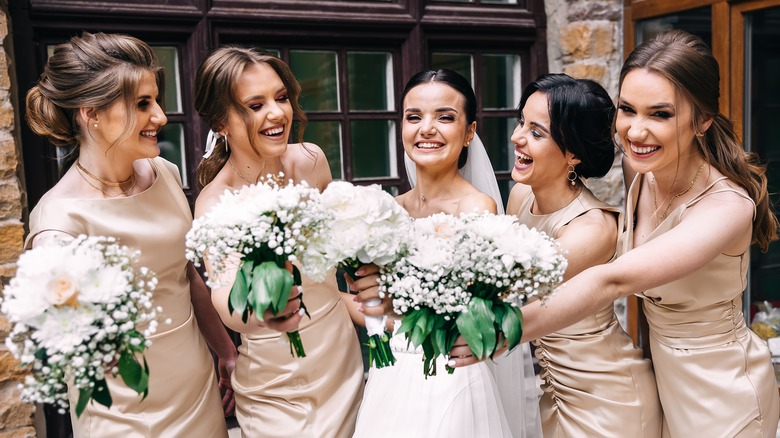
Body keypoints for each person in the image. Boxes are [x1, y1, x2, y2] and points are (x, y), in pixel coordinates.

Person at [454, 30, 780, 437]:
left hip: (723, 391)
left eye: (659, 114)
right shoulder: (641, 171)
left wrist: (508, 328)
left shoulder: (727, 208)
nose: (636, 132)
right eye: (628, 109)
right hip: (656, 384)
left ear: (702, 121)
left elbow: (614, 278)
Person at [23, 32, 234, 436]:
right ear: (92, 113)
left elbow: (184, 273)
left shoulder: (165, 174)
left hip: (196, 389)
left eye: (155, 100)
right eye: (142, 104)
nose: (160, 117)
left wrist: (225, 353)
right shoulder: (59, 223)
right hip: (122, 412)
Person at [353, 69, 541, 438]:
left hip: (451, 377)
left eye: (444, 117)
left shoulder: (479, 210)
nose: (426, 128)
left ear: (469, 131)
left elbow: (479, 318)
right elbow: (376, 308)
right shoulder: (387, 211)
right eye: (414, 117)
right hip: (390, 379)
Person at [192, 46, 364, 438]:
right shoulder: (216, 201)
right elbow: (223, 297)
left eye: (281, 97)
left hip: (341, 354)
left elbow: (337, 252)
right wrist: (263, 314)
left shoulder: (311, 160)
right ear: (221, 122)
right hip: (278, 381)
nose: (277, 113)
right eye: (255, 105)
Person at [506, 73, 663, 436]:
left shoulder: (593, 228)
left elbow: (507, 289)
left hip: (607, 395)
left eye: (536, 131)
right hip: (555, 388)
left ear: (573, 152)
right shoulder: (520, 197)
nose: (517, 137)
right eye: (521, 123)